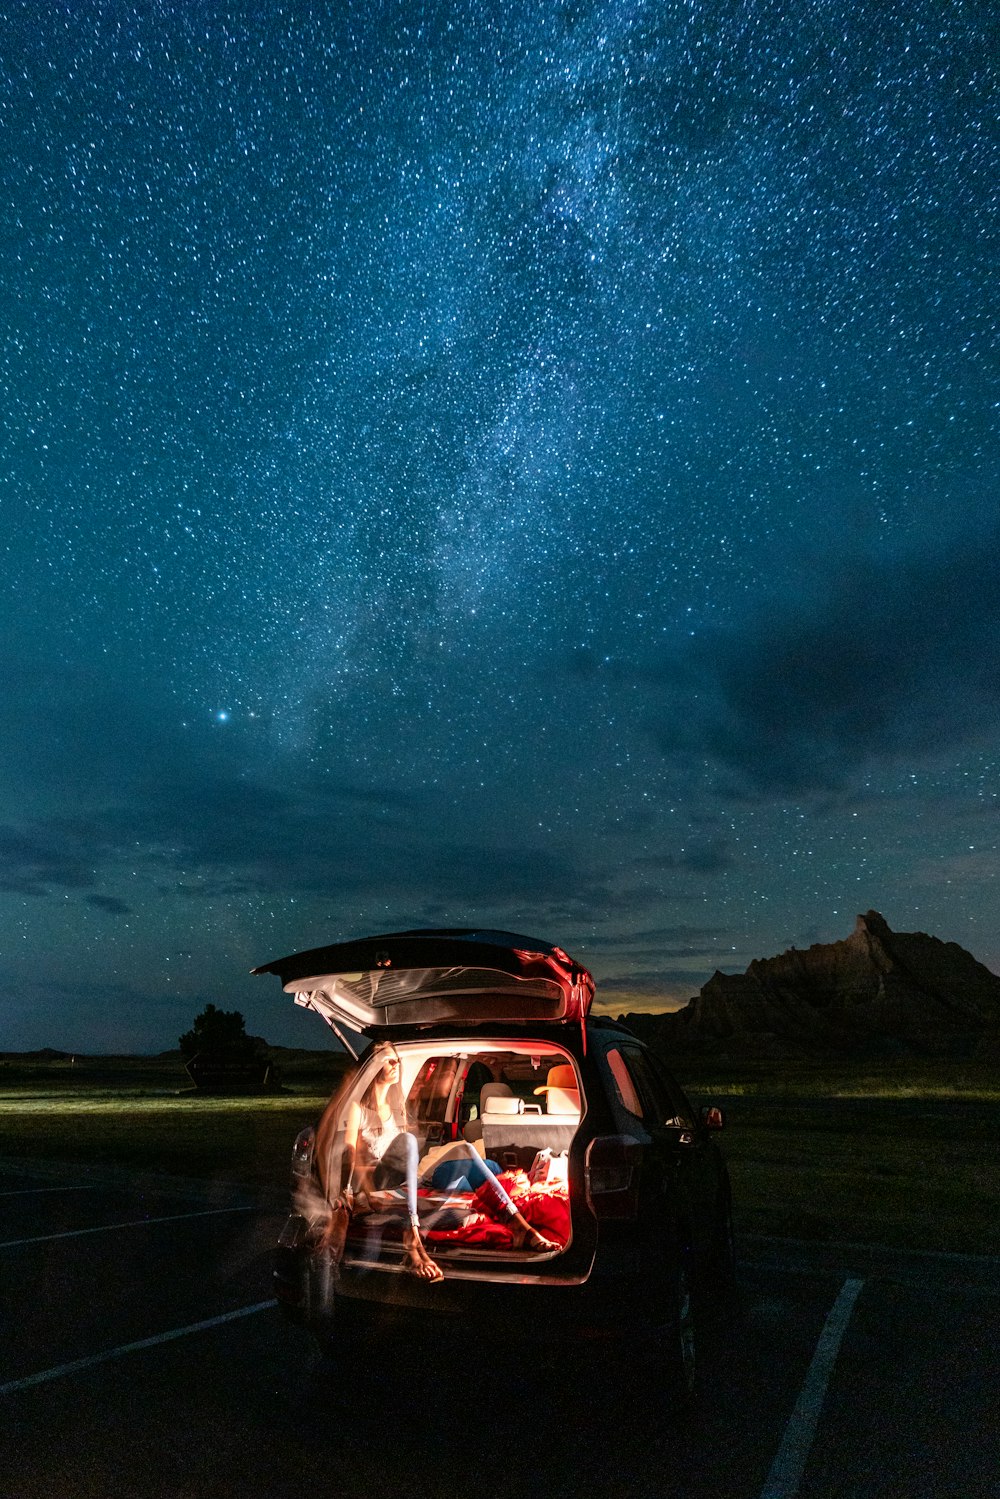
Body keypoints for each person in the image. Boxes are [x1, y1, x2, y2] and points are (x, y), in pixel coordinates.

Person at [315, 1045, 560, 1281]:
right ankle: (412, 1235)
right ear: (375, 1067)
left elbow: (408, 1161)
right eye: (389, 1060)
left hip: (408, 1179)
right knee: (408, 1141)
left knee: (464, 1148)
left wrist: (419, 1171)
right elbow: (351, 1153)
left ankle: (518, 1223)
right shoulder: (359, 1108)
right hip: (379, 1180)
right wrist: (357, 1190)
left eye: (396, 1060)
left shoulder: (395, 1107)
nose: (395, 1064)